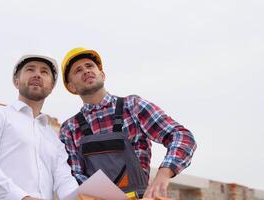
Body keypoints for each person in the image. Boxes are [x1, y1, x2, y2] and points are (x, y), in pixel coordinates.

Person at [59, 47, 197, 199]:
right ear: (71, 86)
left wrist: (164, 173)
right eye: (78, 70)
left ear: (102, 75)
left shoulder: (132, 107)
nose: (86, 71)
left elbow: (181, 136)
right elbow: (74, 175)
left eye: (90, 66)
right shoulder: (69, 129)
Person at [0, 53, 78, 200]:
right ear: (16, 81)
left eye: (44, 72)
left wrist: (79, 197)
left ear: (51, 86)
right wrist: (23, 198)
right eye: (30, 69)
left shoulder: (53, 138)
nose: (37, 75)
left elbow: (64, 180)